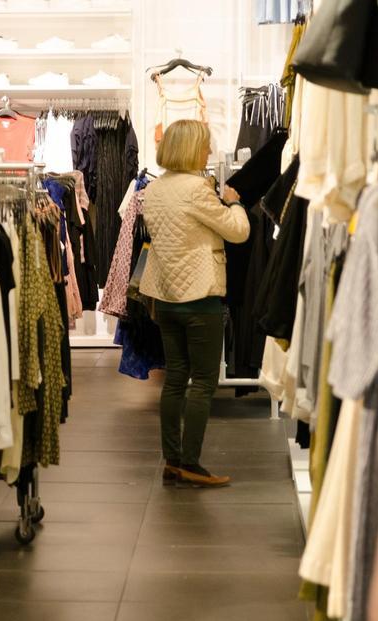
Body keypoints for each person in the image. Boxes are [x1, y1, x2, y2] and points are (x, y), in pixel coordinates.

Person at [140, 119, 250, 488]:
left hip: (166, 297)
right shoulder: (198, 190)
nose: (208, 151)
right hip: (200, 298)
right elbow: (238, 232)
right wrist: (234, 204)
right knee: (202, 382)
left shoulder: (154, 190)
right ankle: (191, 463)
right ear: (191, 149)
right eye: (204, 145)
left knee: (174, 378)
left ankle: (172, 460)